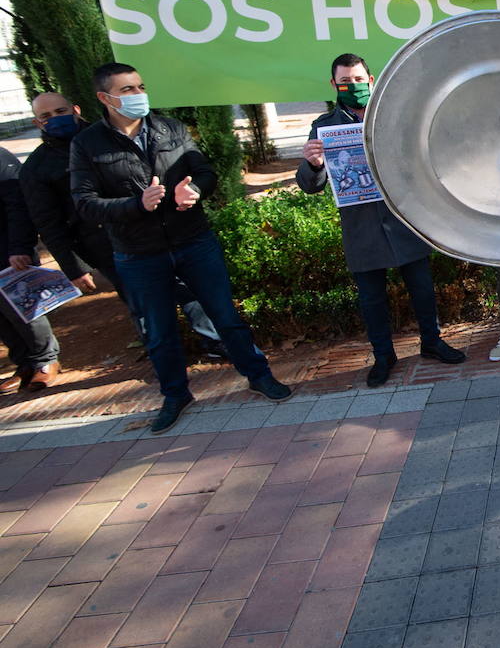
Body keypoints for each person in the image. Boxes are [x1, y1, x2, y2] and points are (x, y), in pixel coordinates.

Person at [71, 63, 292, 433]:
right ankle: (175, 394)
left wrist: (196, 190)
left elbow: (203, 170)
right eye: (127, 90)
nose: (138, 95)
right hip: (138, 253)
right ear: (104, 98)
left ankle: (258, 375)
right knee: (158, 330)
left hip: (193, 240)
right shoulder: (88, 144)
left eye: (140, 86)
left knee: (225, 316)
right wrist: (135, 205)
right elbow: (84, 203)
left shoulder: (169, 129)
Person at [298, 54, 467, 386]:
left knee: (422, 289)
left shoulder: (393, 114)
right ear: (334, 85)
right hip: (361, 225)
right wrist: (314, 164)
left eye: (359, 80)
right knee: (371, 298)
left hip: (404, 218)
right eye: (346, 82)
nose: (354, 87)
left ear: (371, 80)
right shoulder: (323, 127)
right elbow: (310, 186)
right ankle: (383, 356)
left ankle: (431, 342)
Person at [21, 92, 225, 359]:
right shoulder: (36, 169)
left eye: (61, 111)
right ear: (38, 123)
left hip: (155, 229)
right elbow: (49, 223)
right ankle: (163, 356)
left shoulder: (110, 138)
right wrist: (74, 268)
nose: (56, 119)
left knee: (189, 291)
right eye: (46, 116)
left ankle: (214, 343)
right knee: (140, 303)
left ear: (76, 109)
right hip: (105, 245)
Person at [0, 147, 60, 396]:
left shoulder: (1, 159)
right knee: (1, 319)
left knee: (24, 309)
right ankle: (24, 363)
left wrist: (19, 246)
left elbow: (18, 206)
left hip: (8, 251)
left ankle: (46, 360)